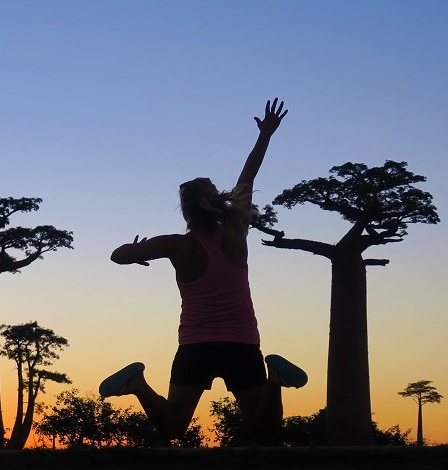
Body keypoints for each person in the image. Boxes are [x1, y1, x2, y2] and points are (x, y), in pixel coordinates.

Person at [100, 98, 307, 446]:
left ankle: (136, 385)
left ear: (185, 212)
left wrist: (136, 254)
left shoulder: (175, 245)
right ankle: (274, 381)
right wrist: (266, 135)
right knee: (264, 426)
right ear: (215, 203)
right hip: (242, 341)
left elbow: (116, 256)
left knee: (174, 426)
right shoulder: (236, 232)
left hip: (195, 344)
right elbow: (249, 175)